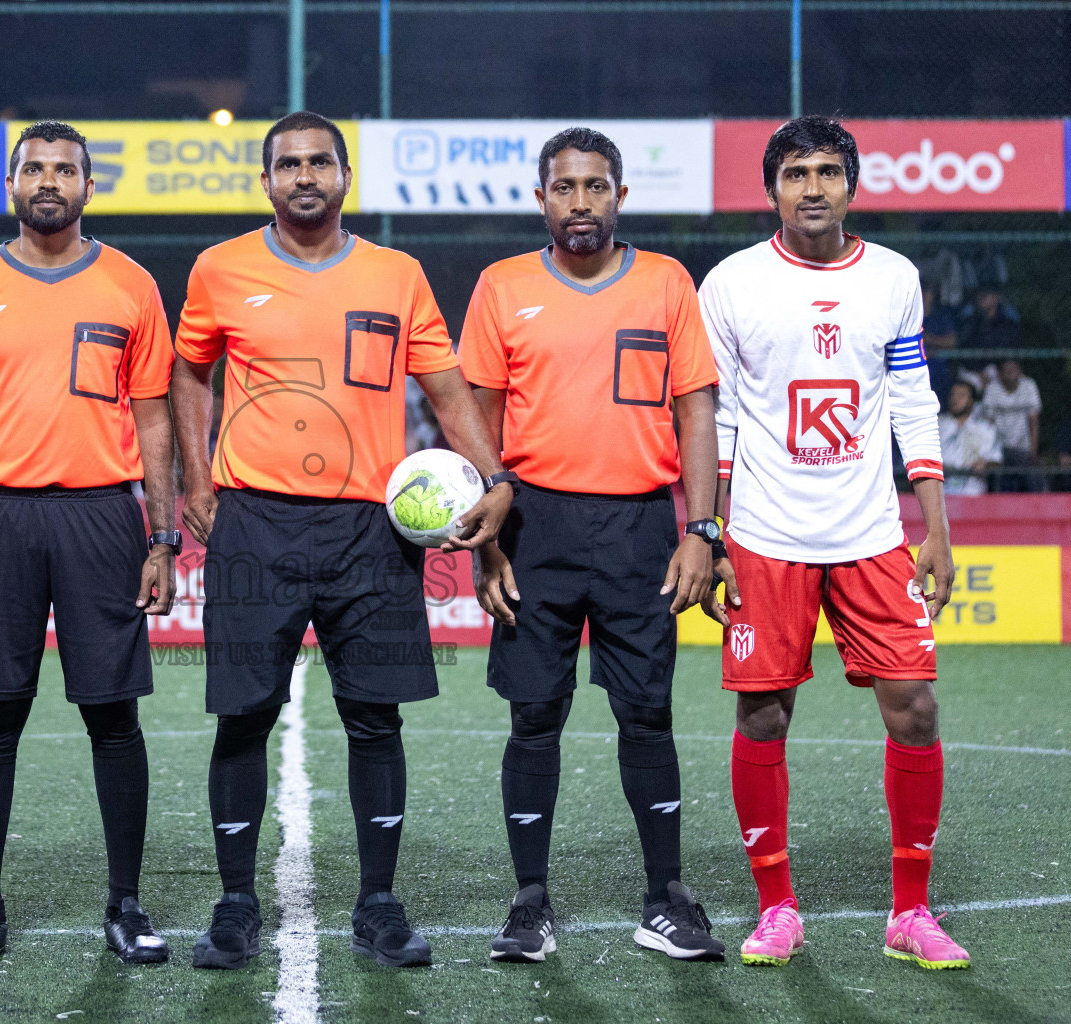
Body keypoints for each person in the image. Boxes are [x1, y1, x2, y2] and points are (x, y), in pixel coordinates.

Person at [171, 111, 512, 970]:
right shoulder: (221, 269)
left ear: (345, 175)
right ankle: (235, 905)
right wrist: (197, 480)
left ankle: (379, 904)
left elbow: (447, 388)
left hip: (372, 529)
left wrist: (498, 477)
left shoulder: (396, 276)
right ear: (266, 181)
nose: (305, 176)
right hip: (255, 523)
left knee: (374, 718)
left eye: (320, 161)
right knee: (242, 716)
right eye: (288, 164)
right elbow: (188, 370)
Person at [699, 115, 968, 971]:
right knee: (763, 712)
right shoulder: (733, 283)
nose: (811, 188)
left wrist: (936, 527)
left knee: (916, 708)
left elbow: (915, 398)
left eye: (827, 172)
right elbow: (721, 420)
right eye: (794, 173)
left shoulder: (893, 277)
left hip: (871, 533)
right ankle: (778, 909)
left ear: (852, 185)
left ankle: (911, 911)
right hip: (767, 536)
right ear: (771, 188)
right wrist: (713, 532)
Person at [460, 127, 725, 964]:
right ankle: (530, 901)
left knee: (647, 713)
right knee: (535, 716)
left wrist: (701, 530)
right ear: (541, 199)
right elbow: (477, 422)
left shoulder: (665, 282)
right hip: (532, 522)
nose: (582, 202)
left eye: (597, 186)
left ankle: (665, 898)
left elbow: (696, 413)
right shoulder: (502, 286)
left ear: (620, 196)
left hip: (642, 526)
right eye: (566, 187)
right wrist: (487, 544)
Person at [0, 120, 178, 968]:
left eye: (64, 169)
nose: (48, 180)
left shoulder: (132, 285)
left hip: (102, 515)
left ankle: (127, 904)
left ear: (88, 187)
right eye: (33, 167)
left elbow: (154, 419)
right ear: (11, 186)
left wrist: (163, 537)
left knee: (113, 713)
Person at [980, 359, 1042, 492]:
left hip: (1023, 448)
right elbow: (988, 424)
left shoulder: (1029, 386)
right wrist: (989, 452)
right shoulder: (993, 388)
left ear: (1020, 372)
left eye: (1013, 370)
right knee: (999, 478)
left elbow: (1034, 421)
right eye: (1007, 370)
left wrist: (1033, 452)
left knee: (1033, 474)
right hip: (999, 448)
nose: (1010, 373)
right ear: (1000, 374)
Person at [938, 381, 1001, 497]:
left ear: (971, 402)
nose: (955, 399)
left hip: (974, 494)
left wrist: (985, 465)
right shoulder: (937, 425)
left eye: (961, 395)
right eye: (953, 395)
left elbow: (996, 461)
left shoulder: (986, 429)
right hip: (939, 493)